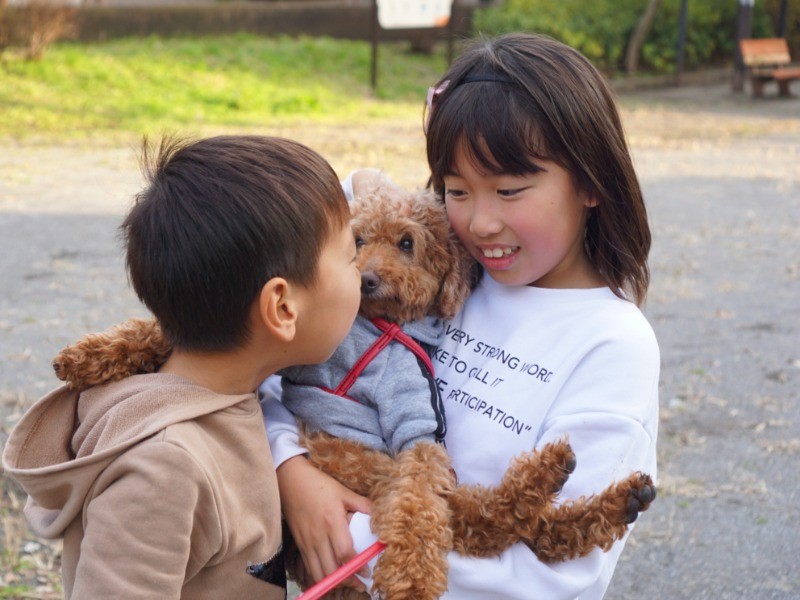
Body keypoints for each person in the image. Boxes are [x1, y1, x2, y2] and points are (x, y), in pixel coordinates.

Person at [263, 33, 659, 598]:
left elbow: (551, 578)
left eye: (510, 190)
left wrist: (350, 536)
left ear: (591, 182)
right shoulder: (449, 275)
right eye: (457, 190)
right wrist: (292, 472)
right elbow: (277, 370)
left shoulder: (613, 345)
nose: (480, 222)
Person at [2, 135, 363, 598]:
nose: (364, 272)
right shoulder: (165, 469)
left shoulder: (235, 382)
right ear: (283, 309)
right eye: (352, 255)